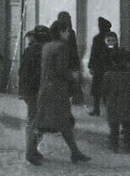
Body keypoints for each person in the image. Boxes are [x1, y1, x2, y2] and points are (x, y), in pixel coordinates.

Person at [36, 20, 90, 163]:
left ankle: (75, 152)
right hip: (57, 91)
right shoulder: (62, 47)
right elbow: (61, 70)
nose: (68, 34)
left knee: (59, 122)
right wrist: (74, 76)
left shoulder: (46, 46)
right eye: (67, 31)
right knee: (50, 123)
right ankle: (31, 151)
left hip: (46, 88)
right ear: (61, 32)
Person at [19, 25, 51, 165]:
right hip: (36, 91)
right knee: (35, 122)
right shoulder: (41, 51)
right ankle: (30, 152)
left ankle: (33, 149)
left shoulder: (28, 50)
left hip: (28, 90)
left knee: (35, 120)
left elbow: (21, 71)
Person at [101, 32, 130, 153]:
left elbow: (104, 90)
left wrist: (105, 100)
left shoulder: (108, 75)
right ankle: (128, 145)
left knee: (114, 127)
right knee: (127, 126)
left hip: (113, 103)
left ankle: (114, 145)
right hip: (127, 103)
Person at [88, 17, 113, 116]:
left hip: (99, 66)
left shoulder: (97, 38)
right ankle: (109, 110)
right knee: (108, 89)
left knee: (96, 90)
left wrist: (91, 65)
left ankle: (96, 109)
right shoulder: (110, 37)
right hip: (108, 66)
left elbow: (93, 53)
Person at [56, 11, 83, 104]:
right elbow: (74, 49)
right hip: (70, 61)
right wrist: (76, 64)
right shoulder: (71, 32)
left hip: (63, 60)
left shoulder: (58, 32)